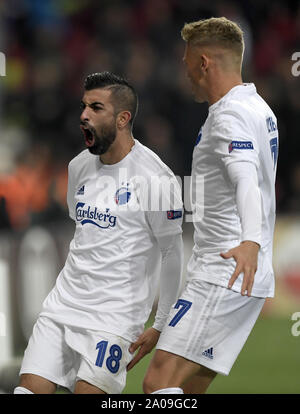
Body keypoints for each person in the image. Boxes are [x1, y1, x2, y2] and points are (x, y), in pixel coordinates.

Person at [14, 71, 183, 394]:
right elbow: (82, 229)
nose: (83, 115)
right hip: (61, 307)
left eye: (95, 108)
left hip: (114, 317)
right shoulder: (78, 167)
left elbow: (172, 253)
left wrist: (161, 324)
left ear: (123, 118)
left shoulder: (156, 178)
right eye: (83, 106)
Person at [143, 17, 279, 394]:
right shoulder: (259, 108)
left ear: (203, 62)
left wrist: (249, 240)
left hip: (226, 271)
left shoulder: (228, 116)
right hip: (240, 270)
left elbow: (245, 180)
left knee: (157, 384)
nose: (184, 71)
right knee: (186, 392)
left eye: (187, 60)